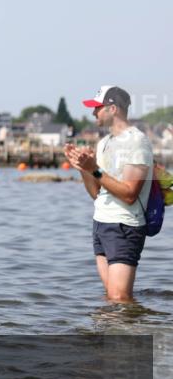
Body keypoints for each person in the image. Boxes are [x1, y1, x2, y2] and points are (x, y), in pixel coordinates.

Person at [64, 86, 153, 302]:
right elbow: (96, 194)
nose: (93, 113)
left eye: (97, 108)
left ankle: (134, 334)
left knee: (119, 297)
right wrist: (83, 168)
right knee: (111, 298)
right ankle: (111, 336)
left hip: (124, 226)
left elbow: (130, 194)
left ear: (113, 109)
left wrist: (95, 169)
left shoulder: (136, 141)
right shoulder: (104, 143)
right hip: (101, 223)